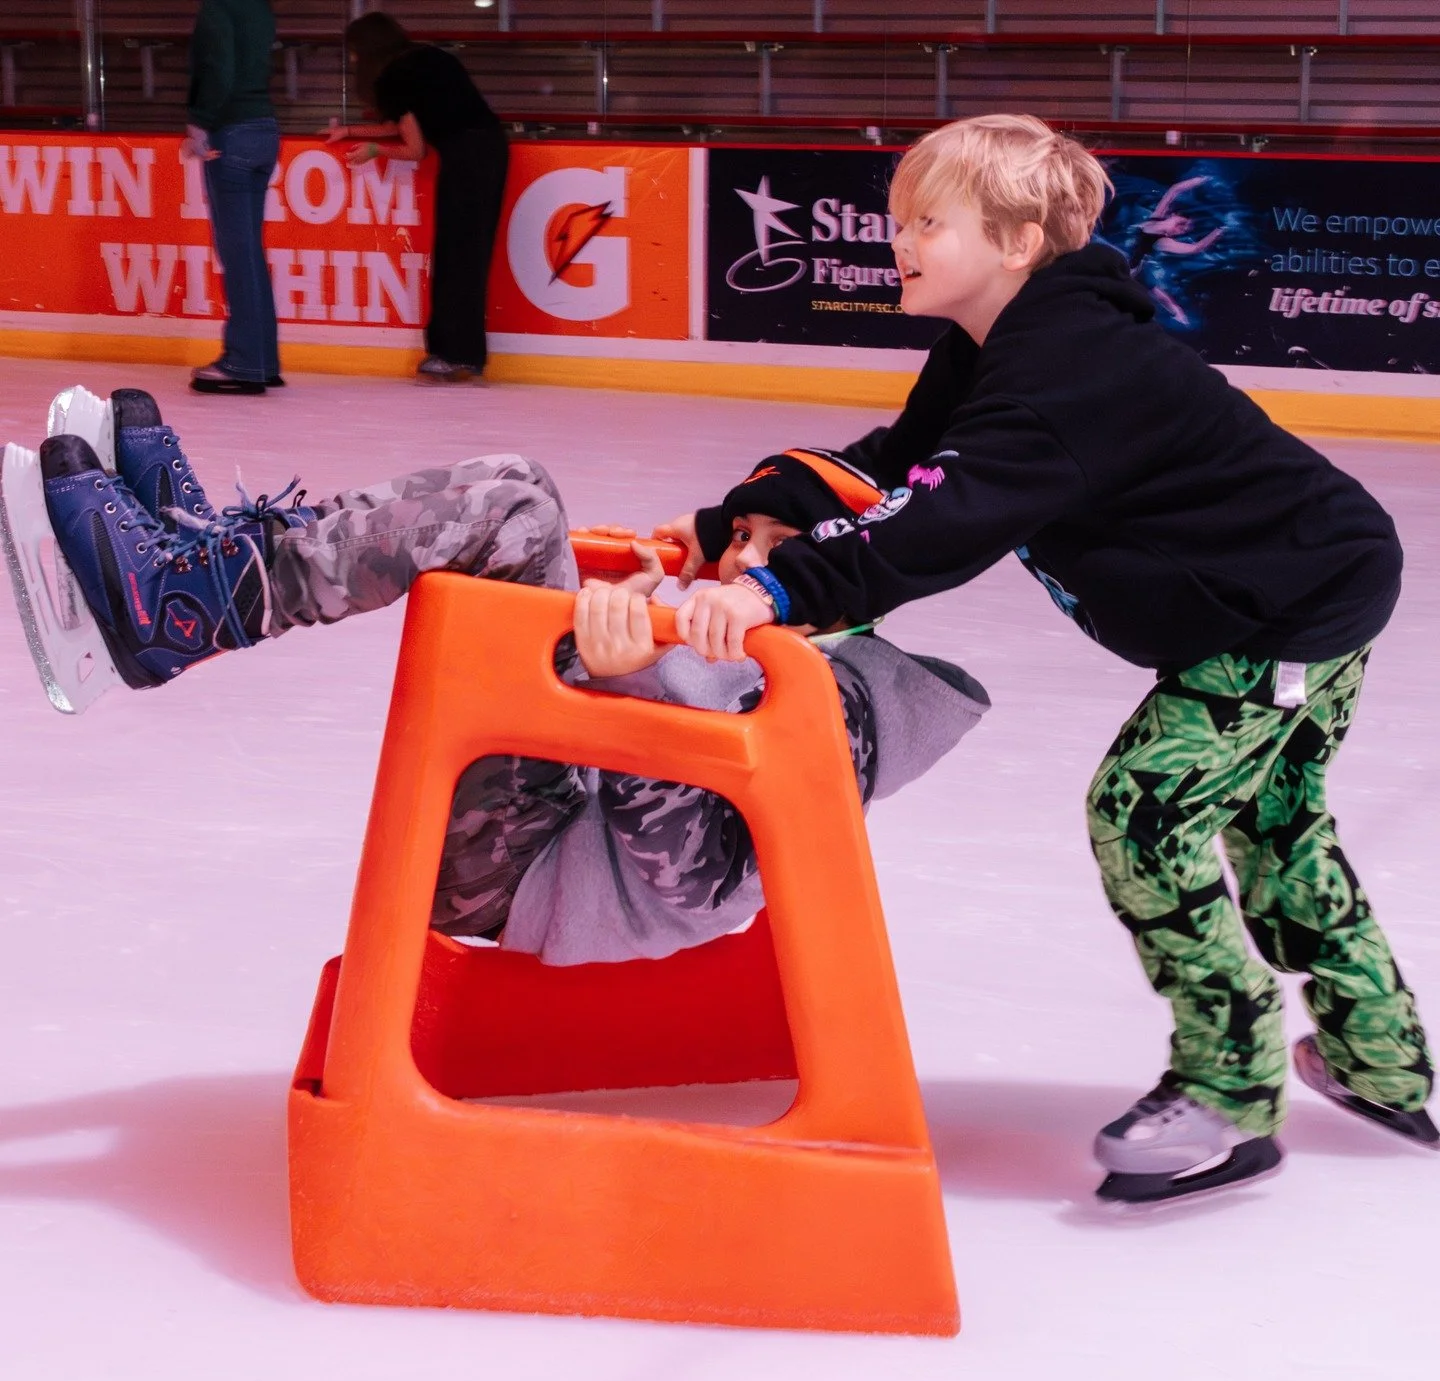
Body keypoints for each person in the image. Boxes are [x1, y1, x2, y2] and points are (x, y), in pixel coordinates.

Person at [654, 113, 1437, 1204]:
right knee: (1271, 821)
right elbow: (904, 468)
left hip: (1281, 613)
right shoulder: (994, 347)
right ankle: (1381, 1059)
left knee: (1145, 815)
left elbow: (945, 521)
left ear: (1018, 243)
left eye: (931, 220)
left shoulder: (1071, 367)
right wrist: (732, 519)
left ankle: (1229, 1091)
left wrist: (777, 591)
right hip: (1304, 585)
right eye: (897, 218)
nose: (900, 239)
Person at [21, 391, 987, 965]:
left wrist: (638, 688)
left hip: (524, 877)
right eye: (739, 535)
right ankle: (209, 571)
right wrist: (639, 645)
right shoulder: (725, 633)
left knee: (516, 505)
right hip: (548, 809)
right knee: (518, 498)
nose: (738, 563)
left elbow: (702, 887)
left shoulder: (842, 702)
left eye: (776, 548)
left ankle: (195, 604)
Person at [331, 13, 509, 383]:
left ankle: (454, 352)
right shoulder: (426, 58)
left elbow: (414, 148)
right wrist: (348, 130)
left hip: (467, 157)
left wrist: (374, 152)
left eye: (352, 52)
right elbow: (400, 123)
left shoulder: (393, 77)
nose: (351, 60)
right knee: (467, 254)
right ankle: (461, 352)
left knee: (457, 255)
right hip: (489, 148)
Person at [184, 0, 281, 395]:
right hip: (264, 129)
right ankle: (262, 360)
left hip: (232, 133)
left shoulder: (218, 9)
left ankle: (243, 360)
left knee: (237, 252)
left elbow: (218, 68)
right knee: (250, 253)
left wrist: (199, 120)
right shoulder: (260, 8)